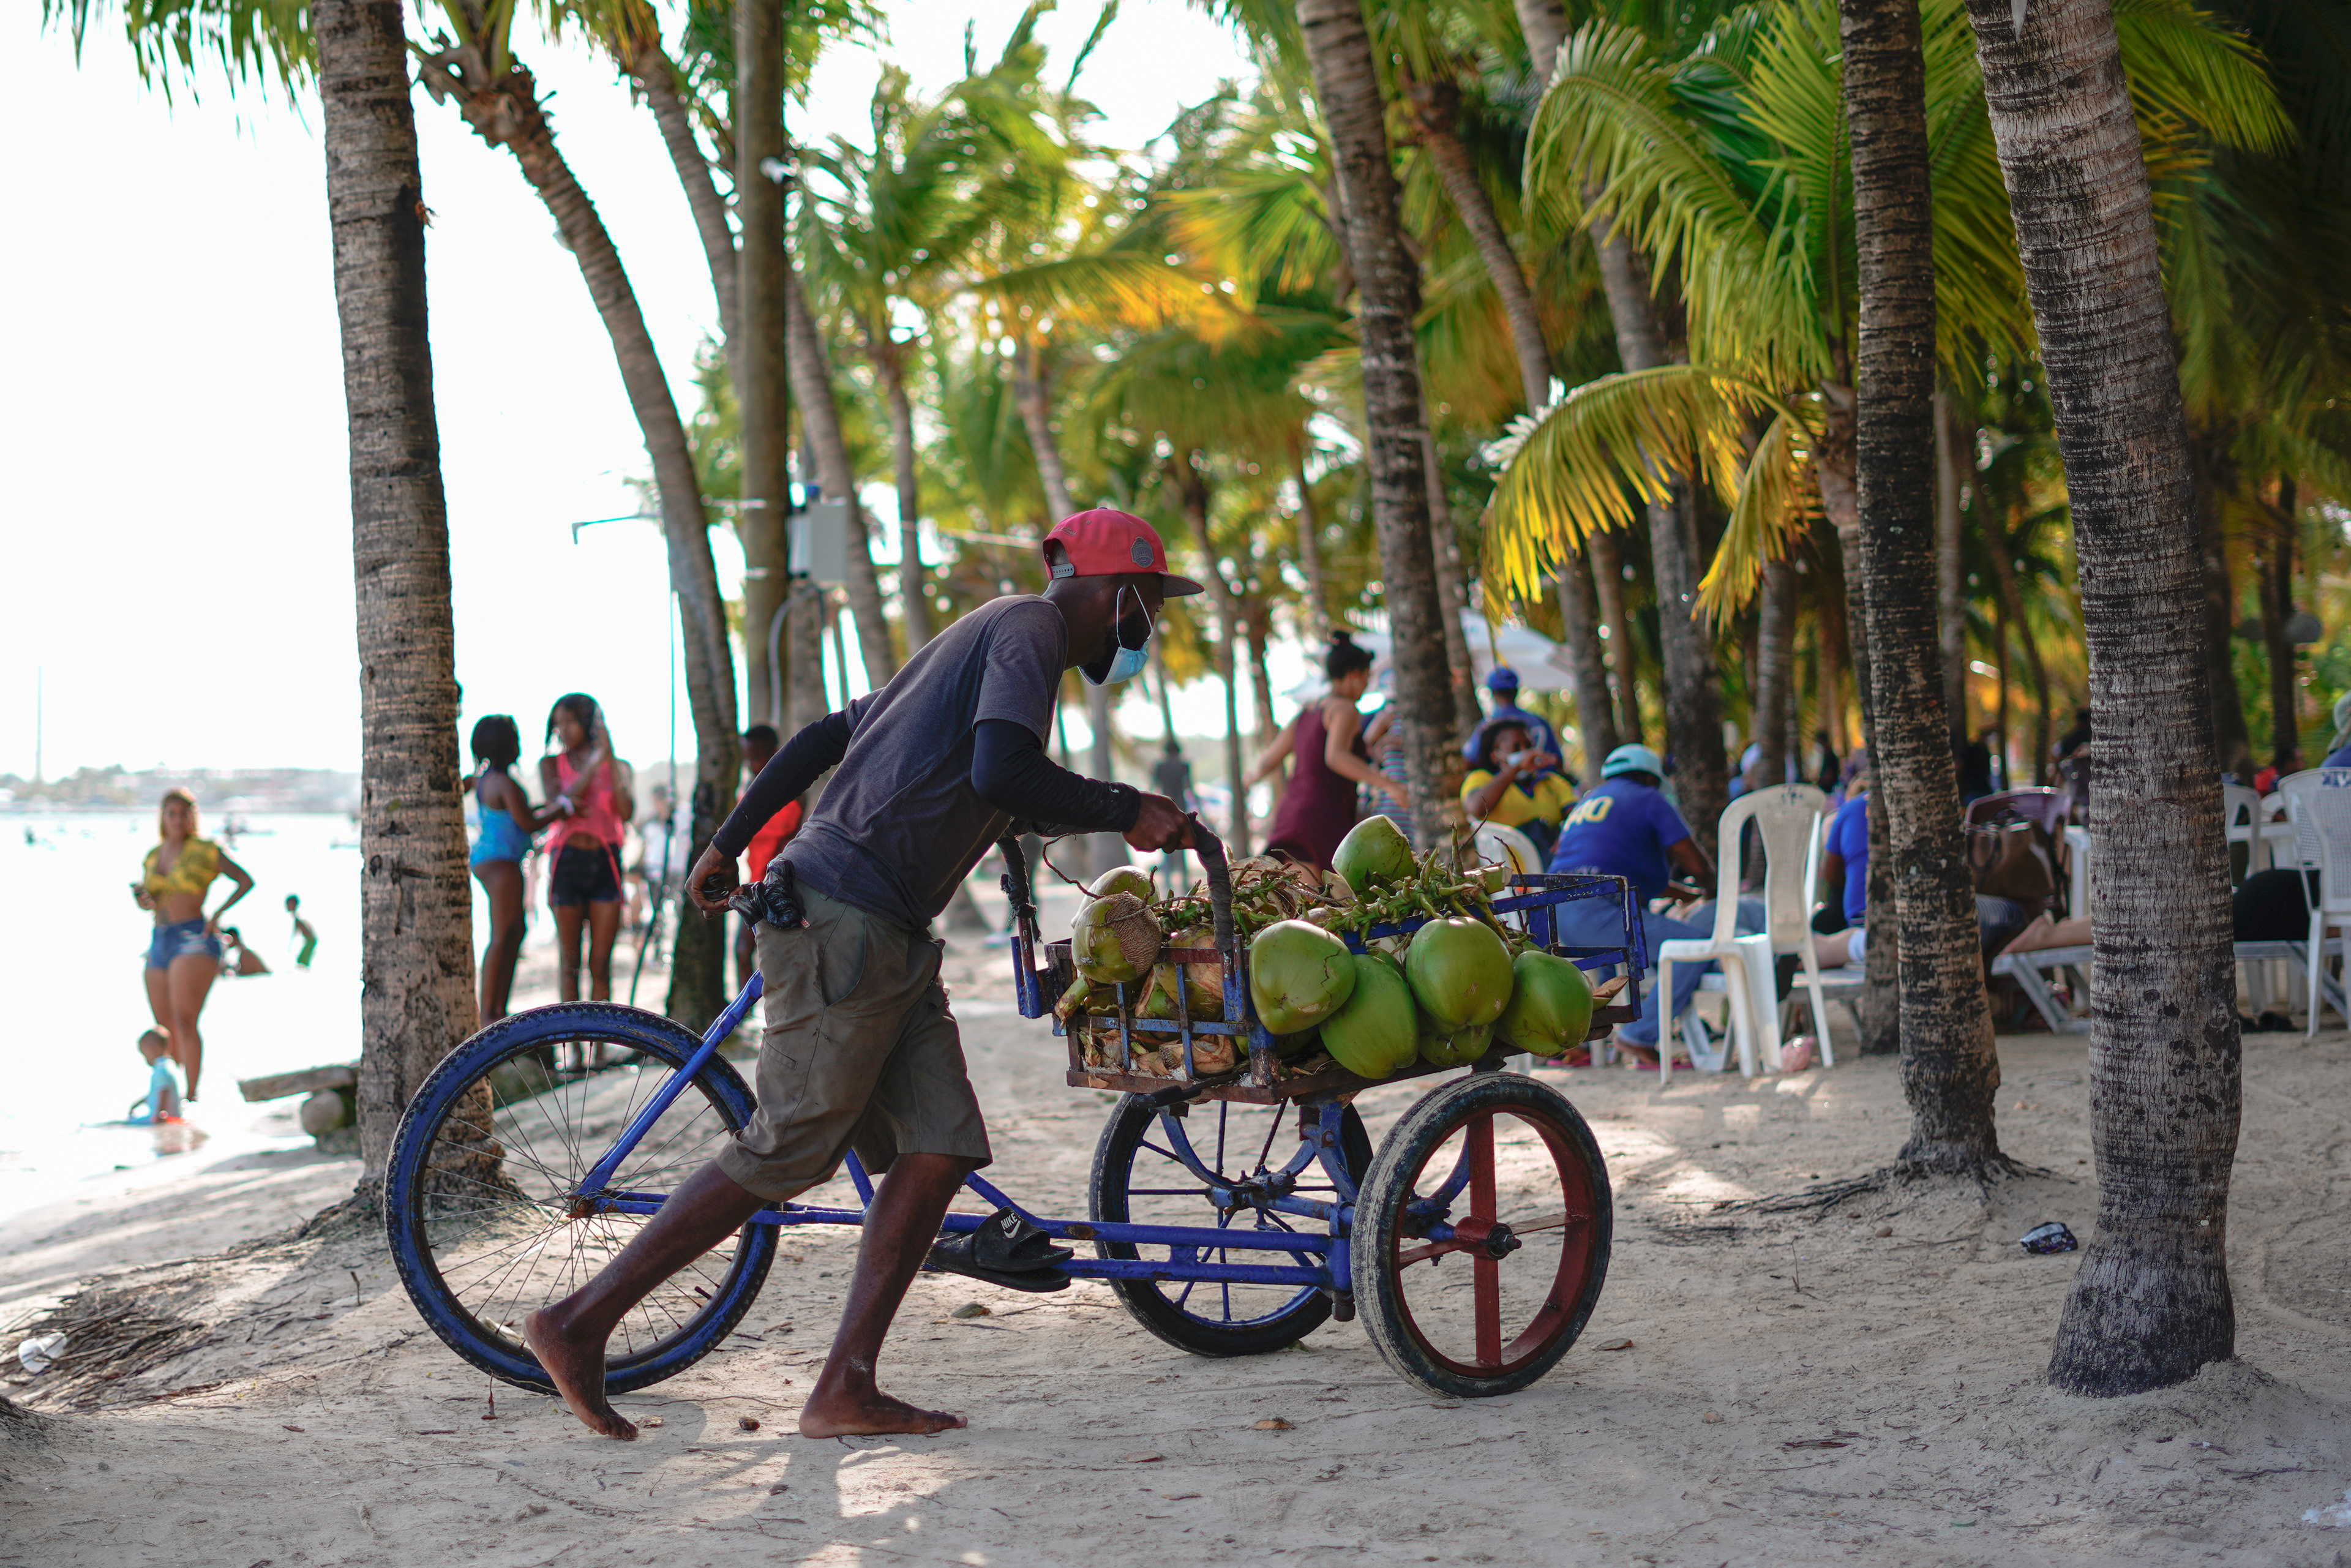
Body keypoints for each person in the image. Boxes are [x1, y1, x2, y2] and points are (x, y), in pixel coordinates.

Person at [524, 506, 1200, 1443]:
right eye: (1151, 604)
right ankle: (576, 1320)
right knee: (789, 1147)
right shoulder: (1032, 630)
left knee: (940, 1142)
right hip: (844, 915)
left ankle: (844, 1386)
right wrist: (1125, 807)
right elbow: (1004, 767)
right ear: (1116, 591)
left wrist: (727, 842)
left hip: (889, 932)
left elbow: (823, 740)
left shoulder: (984, 637)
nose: (1148, 627)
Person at [1545, 745, 1719, 1067]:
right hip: (1597, 911)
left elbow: (1604, 862)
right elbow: (1694, 860)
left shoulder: (1590, 801)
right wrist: (1714, 888)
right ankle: (1639, 1038)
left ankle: (1588, 1042)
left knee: (1611, 963)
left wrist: (1681, 894)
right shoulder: (1649, 798)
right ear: (1649, 778)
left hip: (1559, 914)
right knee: (1694, 947)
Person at [1251, 631, 1408, 870]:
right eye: (1367, 677)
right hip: (1322, 817)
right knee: (1329, 900)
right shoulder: (1345, 709)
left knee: (1299, 902)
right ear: (1355, 675)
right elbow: (1336, 757)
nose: (1367, 685)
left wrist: (1248, 780)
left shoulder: (1307, 711)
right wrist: (1388, 784)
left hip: (1291, 815)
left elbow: (1269, 760)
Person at [132, 789, 251, 1101]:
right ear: (163, 817)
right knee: (164, 1027)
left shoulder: (206, 850)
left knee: (185, 1021)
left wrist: (219, 913)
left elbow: (245, 880)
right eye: (171, 814)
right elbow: (153, 902)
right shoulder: (153, 855)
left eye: (184, 814)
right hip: (160, 938)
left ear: (192, 817)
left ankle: (192, 1096)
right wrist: (144, 900)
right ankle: (166, 1094)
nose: (177, 820)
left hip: (194, 937)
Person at [540, 694, 634, 1003]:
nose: (563, 730)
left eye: (570, 721)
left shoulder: (618, 765)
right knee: (569, 963)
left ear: (588, 722)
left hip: (606, 861)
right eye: (558, 724)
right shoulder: (551, 764)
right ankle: (572, 1052)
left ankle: (601, 1051)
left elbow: (626, 812)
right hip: (566, 862)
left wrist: (609, 759)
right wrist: (594, 766)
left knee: (600, 965)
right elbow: (562, 806)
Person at [470, 715, 558, 1022]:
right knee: (504, 932)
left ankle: (496, 1008)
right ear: (509, 745)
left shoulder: (485, 781)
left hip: (493, 859)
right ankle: (489, 1014)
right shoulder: (505, 782)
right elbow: (528, 823)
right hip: (501, 862)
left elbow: (516, 815)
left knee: (515, 929)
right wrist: (562, 809)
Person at [733, 724, 805, 992]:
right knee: (743, 952)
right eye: (748, 760)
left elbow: (792, 839)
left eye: (758, 758)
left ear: (775, 753)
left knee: (782, 958)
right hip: (755, 884)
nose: (752, 766)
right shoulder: (749, 795)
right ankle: (749, 1019)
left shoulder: (793, 791)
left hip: (782, 887)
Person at [1460, 716, 1575, 861]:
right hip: (1509, 875)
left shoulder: (1551, 782)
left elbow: (1577, 816)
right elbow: (1476, 808)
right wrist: (1517, 767)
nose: (1526, 753)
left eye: (1528, 746)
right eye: (1517, 747)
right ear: (1496, 757)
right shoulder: (1481, 779)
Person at [1458, 666, 1561, 763]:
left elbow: (1470, 759)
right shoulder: (1539, 722)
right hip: (1543, 780)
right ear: (1517, 691)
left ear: (1493, 693)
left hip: (1506, 782)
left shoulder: (1488, 726)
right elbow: (1557, 760)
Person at [1150, 740, 1198, 892]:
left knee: (1166, 846)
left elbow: (1153, 788)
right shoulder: (1184, 765)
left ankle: (1167, 884)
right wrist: (1200, 810)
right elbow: (1189, 788)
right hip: (1181, 809)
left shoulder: (1160, 766)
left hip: (1165, 809)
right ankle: (1184, 882)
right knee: (1183, 845)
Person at [126, 1030, 184, 1125]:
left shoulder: (160, 1069)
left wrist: (159, 1115)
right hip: (171, 1116)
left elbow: (164, 1091)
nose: (145, 1060)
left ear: (152, 1050)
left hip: (163, 1118)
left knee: (123, 1124)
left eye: (145, 1055)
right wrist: (138, 1104)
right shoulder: (170, 1065)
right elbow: (157, 1093)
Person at [285, 894, 318, 968]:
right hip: (309, 941)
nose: (287, 906)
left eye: (289, 904)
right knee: (301, 961)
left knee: (302, 962)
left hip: (310, 941)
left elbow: (298, 929)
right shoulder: (296, 918)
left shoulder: (297, 917)